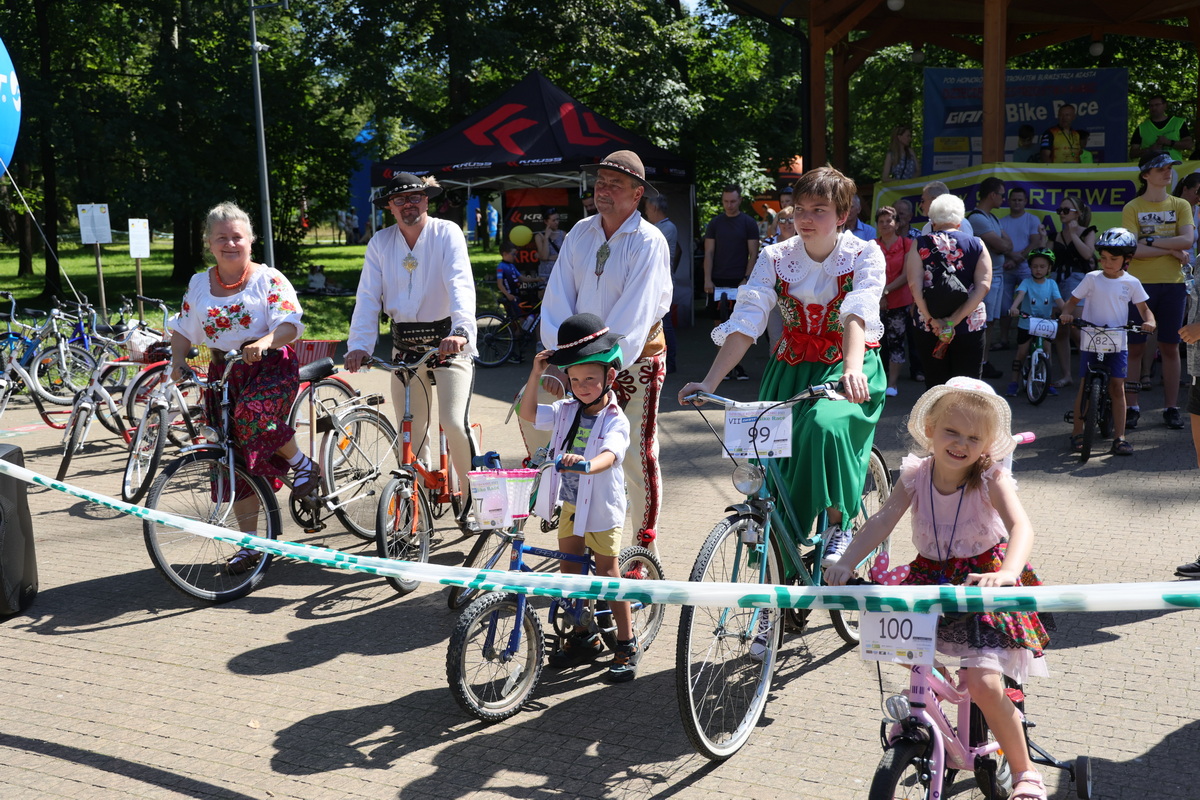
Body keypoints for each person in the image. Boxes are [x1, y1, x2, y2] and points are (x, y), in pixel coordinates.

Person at [825, 377, 1053, 800]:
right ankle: (941, 708)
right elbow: (881, 520)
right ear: (929, 428)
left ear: (987, 444)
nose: (961, 444)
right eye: (952, 431)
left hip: (982, 581)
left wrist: (1006, 572)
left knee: (983, 683)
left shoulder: (990, 478)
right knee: (894, 647)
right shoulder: (916, 474)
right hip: (930, 578)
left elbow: (1022, 526)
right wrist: (845, 561)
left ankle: (1026, 774)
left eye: (973, 437)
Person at [679, 166, 886, 567]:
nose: (805, 219)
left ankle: (839, 523)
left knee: (825, 426)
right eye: (799, 210)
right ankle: (777, 586)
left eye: (819, 210)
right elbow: (746, 323)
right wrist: (708, 380)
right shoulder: (775, 257)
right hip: (789, 369)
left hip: (846, 365)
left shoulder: (864, 253)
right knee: (770, 473)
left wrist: (853, 367)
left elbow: (857, 315)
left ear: (842, 216)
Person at [531, 150, 672, 548]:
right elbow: (558, 296)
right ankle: (585, 538)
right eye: (601, 182)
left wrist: (599, 367)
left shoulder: (649, 241)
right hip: (579, 363)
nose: (604, 190)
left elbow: (634, 315)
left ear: (637, 193)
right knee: (573, 442)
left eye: (615, 184)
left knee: (633, 455)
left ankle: (643, 549)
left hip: (632, 361)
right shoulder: (581, 232)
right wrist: (561, 357)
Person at [169, 202, 314, 574]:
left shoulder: (268, 279)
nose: (230, 244)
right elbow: (184, 328)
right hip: (224, 372)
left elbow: (290, 323)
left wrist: (265, 340)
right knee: (229, 459)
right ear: (209, 243)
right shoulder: (200, 283)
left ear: (250, 240)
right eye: (222, 238)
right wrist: (177, 360)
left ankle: (300, 464)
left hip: (268, 366)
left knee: (250, 415)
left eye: (237, 237)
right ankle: (248, 546)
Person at [345, 173, 479, 525]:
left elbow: (460, 282)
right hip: (405, 346)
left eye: (416, 197)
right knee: (412, 429)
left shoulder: (445, 232)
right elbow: (368, 297)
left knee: (452, 422)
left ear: (427, 200)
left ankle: (476, 500)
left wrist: (462, 330)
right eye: (400, 200)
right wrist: (359, 345)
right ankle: (417, 504)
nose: (409, 205)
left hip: (448, 341)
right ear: (389, 207)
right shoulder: (380, 242)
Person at [520, 314, 639, 682]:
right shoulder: (566, 410)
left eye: (590, 378)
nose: (583, 386)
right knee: (570, 569)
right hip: (570, 504)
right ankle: (583, 634)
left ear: (609, 378)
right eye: (575, 379)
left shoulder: (616, 418)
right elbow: (526, 413)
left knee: (606, 573)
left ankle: (626, 640)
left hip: (602, 506)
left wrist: (589, 464)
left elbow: (612, 453)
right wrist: (536, 374)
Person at [1060, 228, 1156, 456]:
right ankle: (1077, 432)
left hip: (1117, 341)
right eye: (1103, 258)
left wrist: (1150, 321)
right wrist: (1066, 314)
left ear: (1127, 259)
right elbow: (1071, 302)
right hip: (1091, 339)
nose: (1107, 263)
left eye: (1113, 259)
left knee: (1117, 387)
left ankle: (1120, 437)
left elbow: (1145, 310)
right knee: (1084, 385)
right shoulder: (1091, 278)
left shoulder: (1131, 282)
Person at [1123, 152, 1194, 431]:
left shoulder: (1181, 204)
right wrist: (1172, 248)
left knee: (1170, 347)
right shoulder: (1132, 207)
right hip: (1139, 286)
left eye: (1169, 168)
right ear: (1145, 175)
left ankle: (1172, 407)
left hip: (1174, 285)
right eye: (1161, 168)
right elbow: (1132, 249)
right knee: (1135, 348)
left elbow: (1189, 238)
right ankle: (1132, 407)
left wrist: (1150, 239)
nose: (1168, 173)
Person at [906, 193, 993, 388]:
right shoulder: (977, 244)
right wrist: (954, 321)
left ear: (933, 221)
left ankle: (937, 420)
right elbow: (984, 285)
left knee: (936, 385)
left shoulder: (920, 243)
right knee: (968, 387)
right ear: (959, 221)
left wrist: (933, 320)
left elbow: (914, 285)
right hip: (970, 323)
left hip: (930, 326)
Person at [703, 183, 760, 381]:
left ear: (740, 200)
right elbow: (708, 252)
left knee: (740, 325)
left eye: (733, 201)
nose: (729, 205)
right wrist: (707, 279)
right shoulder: (715, 223)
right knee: (719, 324)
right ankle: (723, 368)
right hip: (718, 279)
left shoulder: (748, 223)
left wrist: (746, 278)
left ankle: (738, 365)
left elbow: (753, 254)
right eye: (726, 201)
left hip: (739, 280)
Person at [1049, 196, 1096, 387]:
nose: (1062, 214)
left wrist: (1074, 234)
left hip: (1078, 281)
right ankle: (1067, 375)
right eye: (1060, 210)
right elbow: (1048, 260)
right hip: (1056, 281)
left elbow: (1087, 254)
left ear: (1078, 213)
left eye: (1066, 210)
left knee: (1078, 330)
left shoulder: (1088, 232)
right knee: (1061, 331)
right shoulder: (1055, 235)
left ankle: (1090, 373)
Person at [966, 177, 1012, 367]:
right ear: (992, 195)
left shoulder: (993, 218)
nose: (1003, 199)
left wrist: (1003, 247)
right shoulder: (977, 218)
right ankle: (978, 361)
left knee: (991, 321)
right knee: (983, 321)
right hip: (986, 278)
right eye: (1002, 195)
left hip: (998, 275)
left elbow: (1008, 245)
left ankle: (984, 361)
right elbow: (1002, 244)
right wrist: (1003, 247)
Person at [1006, 249, 1064, 397]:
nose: (1038, 269)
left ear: (1049, 268)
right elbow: (1020, 295)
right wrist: (1014, 307)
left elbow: (1059, 301)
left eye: (1042, 266)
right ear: (1030, 267)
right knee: (1022, 352)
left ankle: (1048, 381)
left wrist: (1066, 312)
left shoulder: (1051, 284)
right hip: (1027, 323)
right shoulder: (1026, 282)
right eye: (1035, 266)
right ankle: (1014, 381)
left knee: (1047, 351)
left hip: (1045, 324)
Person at [998, 186, 1045, 349]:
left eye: (1020, 200)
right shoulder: (1002, 221)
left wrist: (1018, 259)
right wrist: (1012, 258)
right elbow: (1000, 245)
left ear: (1025, 201)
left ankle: (1029, 338)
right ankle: (1003, 339)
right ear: (1008, 201)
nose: (1017, 203)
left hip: (1027, 268)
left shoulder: (1032, 219)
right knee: (1005, 306)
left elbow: (1035, 242)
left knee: (1031, 304)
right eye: (1014, 199)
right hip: (1007, 267)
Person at [875, 205, 913, 398]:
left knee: (896, 342)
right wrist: (880, 295)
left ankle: (892, 384)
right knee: (873, 342)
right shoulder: (872, 245)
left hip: (899, 301)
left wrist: (886, 291)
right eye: (881, 221)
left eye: (889, 220)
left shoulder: (907, 244)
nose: (885, 224)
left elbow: (907, 275)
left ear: (897, 224)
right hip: (875, 302)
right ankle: (875, 381)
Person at [643, 194, 683, 374]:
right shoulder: (663, 227)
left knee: (664, 323)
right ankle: (665, 360)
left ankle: (670, 363)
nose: (645, 213)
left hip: (661, 283)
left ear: (653, 208)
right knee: (660, 322)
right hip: (658, 281)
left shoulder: (666, 228)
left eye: (646, 209)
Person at [1130, 93, 1194, 163]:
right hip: (1150, 170)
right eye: (1151, 106)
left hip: (1174, 168)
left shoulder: (1178, 122)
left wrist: (1169, 142)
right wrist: (1150, 150)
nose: (1154, 108)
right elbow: (1132, 153)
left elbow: (1189, 145)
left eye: (1157, 105)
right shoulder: (1141, 128)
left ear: (1165, 106)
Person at [535, 207, 565, 282]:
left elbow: (565, 256)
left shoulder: (563, 234)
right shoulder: (539, 236)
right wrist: (546, 238)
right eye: (553, 220)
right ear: (546, 221)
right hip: (545, 274)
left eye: (557, 219)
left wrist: (548, 257)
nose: (557, 222)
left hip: (560, 272)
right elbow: (544, 257)